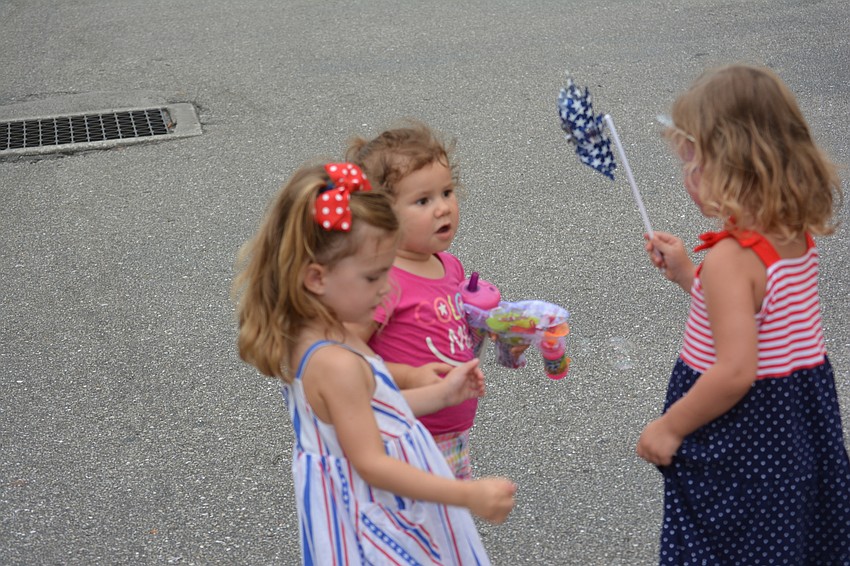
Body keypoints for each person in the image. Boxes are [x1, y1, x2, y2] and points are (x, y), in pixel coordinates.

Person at [233, 162, 516, 564]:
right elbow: (370, 462)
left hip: (375, 508)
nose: (387, 288)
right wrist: (466, 494)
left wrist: (439, 393)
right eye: (372, 277)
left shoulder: (319, 330)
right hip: (375, 519)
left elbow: (368, 413)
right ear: (316, 278)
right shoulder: (335, 363)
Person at [636, 64, 850, 563]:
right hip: (795, 425)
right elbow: (761, 321)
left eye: (691, 162)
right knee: (784, 541)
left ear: (731, 168)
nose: (686, 176)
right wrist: (692, 274)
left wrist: (669, 427)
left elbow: (735, 370)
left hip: (744, 434)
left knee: (726, 544)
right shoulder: (790, 233)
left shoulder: (733, 259)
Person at [344, 121, 484, 480]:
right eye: (423, 200)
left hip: (451, 432)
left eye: (447, 192)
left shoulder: (448, 266)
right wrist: (407, 377)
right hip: (404, 434)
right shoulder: (383, 281)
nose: (443, 208)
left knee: (445, 526)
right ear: (382, 215)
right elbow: (344, 356)